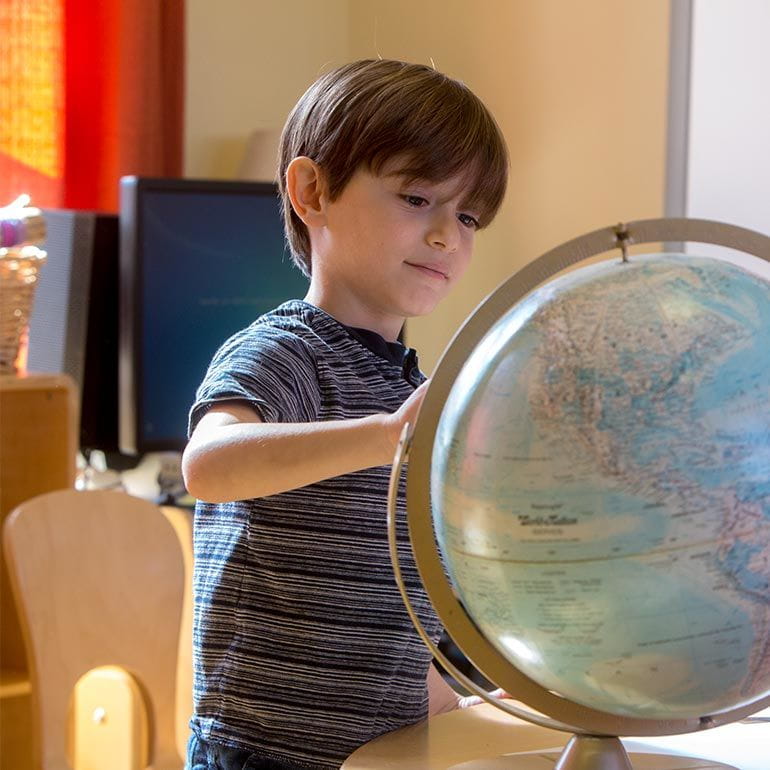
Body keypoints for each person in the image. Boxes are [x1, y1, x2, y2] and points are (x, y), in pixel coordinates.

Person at [182, 58, 509, 770]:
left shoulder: (409, 386)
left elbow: (407, 593)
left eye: (468, 215)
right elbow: (209, 465)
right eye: (418, 198)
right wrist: (383, 438)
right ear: (312, 191)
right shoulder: (286, 353)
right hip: (263, 751)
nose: (447, 235)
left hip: (382, 750)